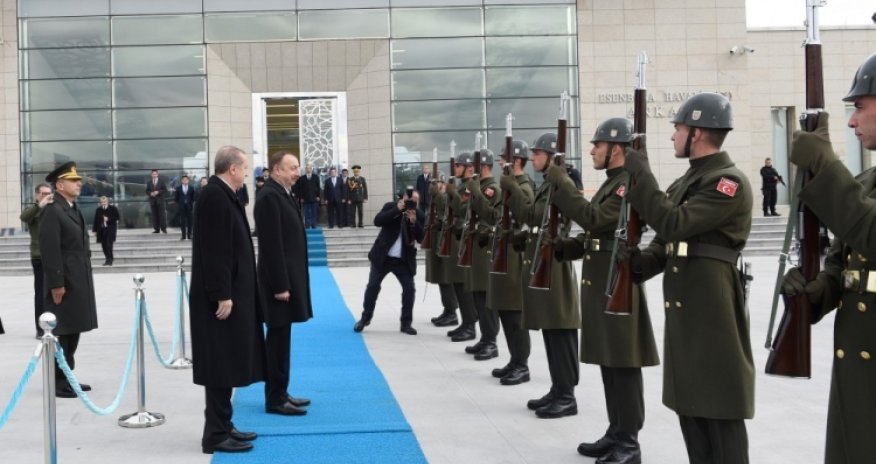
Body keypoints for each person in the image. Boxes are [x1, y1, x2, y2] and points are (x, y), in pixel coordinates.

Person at [622, 93, 754, 463]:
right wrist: (641, 263)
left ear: (696, 132)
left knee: (719, 408)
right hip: (686, 307)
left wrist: (642, 174)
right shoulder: (689, 180)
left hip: (712, 309)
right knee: (692, 406)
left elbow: (673, 222)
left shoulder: (727, 182)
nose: (672, 136)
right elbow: (667, 240)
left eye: (677, 128)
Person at [546, 118, 660, 463]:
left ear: (618, 149)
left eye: (598, 145)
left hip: (618, 281)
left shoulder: (628, 184)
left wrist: (563, 184)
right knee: (610, 362)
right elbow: (599, 233)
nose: (593, 150)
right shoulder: (613, 184)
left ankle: (629, 442)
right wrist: (570, 246)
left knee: (623, 364)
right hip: (603, 281)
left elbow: (596, 219)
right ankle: (616, 431)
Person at [783, 52, 876, 464]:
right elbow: (845, 261)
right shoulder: (867, 182)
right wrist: (816, 290)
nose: (852, 121)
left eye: (859, 107)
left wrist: (825, 161)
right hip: (859, 370)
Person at [189, 146, 264, 455]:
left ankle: (224, 425)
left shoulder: (225, 194)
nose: (247, 172)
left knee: (227, 361)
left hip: (231, 294)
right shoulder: (214, 196)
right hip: (218, 299)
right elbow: (214, 249)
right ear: (232, 168)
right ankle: (215, 435)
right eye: (244, 167)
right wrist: (223, 294)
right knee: (220, 364)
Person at [502, 133, 581, 419]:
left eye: (538, 154)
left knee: (561, 329)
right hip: (543, 260)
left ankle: (567, 394)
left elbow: (556, 217)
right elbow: (534, 217)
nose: (533, 158)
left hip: (556, 263)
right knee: (550, 328)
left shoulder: (563, 183)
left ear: (551, 156)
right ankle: (558, 388)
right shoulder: (548, 184)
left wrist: (512, 185)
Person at [255, 150, 314, 417]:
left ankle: (282, 391)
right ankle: (275, 399)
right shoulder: (268, 196)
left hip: (287, 281)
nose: (297, 172)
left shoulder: (282, 193)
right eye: (292, 168)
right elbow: (271, 246)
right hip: (277, 286)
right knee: (277, 342)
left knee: (283, 339)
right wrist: (280, 285)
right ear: (277, 170)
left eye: (298, 167)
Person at [39, 162, 98, 398]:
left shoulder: (71, 208)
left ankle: (67, 375)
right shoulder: (53, 210)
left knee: (73, 329)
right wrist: (56, 283)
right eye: (74, 181)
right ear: (60, 185)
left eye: (78, 180)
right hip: (64, 279)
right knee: (62, 330)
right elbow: (50, 249)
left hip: (78, 277)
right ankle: (58, 380)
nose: (79, 183)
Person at [486, 141, 535, 386]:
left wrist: (511, 189)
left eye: (504, 159)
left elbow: (525, 216)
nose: (499, 163)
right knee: (506, 311)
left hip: (515, 258)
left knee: (515, 315)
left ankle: (522, 364)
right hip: (503, 254)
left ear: (515, 161)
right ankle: (514, 360)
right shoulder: (510, 186)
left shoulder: (524, 187)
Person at [353, 189, 424, 335]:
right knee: (372, 286)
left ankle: (406, 323)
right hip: (383, 257)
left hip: (403, 260)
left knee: (409, 289)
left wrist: (414, 222)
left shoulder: (419, 214)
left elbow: (422, 238)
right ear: (403, 198)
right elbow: (377, 221)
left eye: (415, 200)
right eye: (409, 199)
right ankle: (365, 319)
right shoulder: (390, 206)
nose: (411, 202)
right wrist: (397, 210)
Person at [464, 150, 502, 361]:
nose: (471, 169)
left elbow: (491, 215)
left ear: (484, 167)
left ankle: (491, 341)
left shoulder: (492, 189)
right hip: (476, 245)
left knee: (486, 296)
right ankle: (485, 337)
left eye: (474, 166)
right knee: (477, 294)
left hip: (485, 246)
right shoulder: (480, 188)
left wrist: (476, 193)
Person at [444, 153, 479, 342]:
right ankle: (466, 323)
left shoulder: (469, 187)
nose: (455, 169)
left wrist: (452, 194)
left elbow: (463, 210)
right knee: (458, 284)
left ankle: (470, 325)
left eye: (458, 165)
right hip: (458, 236)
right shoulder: (462, 186)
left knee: (464, 286)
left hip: (465, 240)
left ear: (468, 168)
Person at [425, 174, 460, 328]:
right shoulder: (437, 197)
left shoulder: (447, 197)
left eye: (438, 182)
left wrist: (436, 195)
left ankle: (452, 312)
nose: (435, 185)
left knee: (446, 278)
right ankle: (447, 309)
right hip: (436, 239)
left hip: (445, 241)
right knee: (440, 278)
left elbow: (443, 211)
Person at [21, 183, 53, 337]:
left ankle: (55, 324)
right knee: (40, 293)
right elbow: (24, 217)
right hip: (39, 256)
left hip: (56, 256)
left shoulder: (54, 208)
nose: (46, 196)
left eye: (48, 193)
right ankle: (40, 328)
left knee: (57, 291)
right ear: (37, 195)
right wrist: (39, 206)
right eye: (43, 193)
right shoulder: (33, 209)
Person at [92, 196, 120, 266]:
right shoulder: (98, 210)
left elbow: (117, 217)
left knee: (109, 245)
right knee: (103, 245)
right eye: (102, 202)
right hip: (101, 230)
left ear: (107, 201)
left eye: (104, 201)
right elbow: (95, 220)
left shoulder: (113, 208)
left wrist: (108, 219)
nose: (103, 203)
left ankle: (110, 259)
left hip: (110, 230)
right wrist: (94, 230)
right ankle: (107, 258)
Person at [296, 164, 321, 228]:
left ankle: (313, 224)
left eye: (310, 168)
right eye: (307, 168)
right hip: (305, 198)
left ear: (312, 169)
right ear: (305, 169)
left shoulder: (316, 177)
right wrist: (301, 197)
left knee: (314, 212)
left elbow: (318, 187)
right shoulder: (302, 178)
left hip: (314, 197)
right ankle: (307, 225)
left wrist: (318, 196)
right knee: (306, 213)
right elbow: (300, 188)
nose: (308, 169)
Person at [146, 169, 167, 233]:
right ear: (151, 175)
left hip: (160, 201)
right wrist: (150, 193)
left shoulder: (161, 181)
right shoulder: (149, 182)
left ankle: (163, 229)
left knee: (162, 215)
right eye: (153, 174)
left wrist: (158, 192)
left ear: (157, 174)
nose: (154, 175)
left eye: (155, 174)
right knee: (154, 216)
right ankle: (156, 229)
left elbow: (165, 190)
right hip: (153, 201)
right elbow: (147, 191)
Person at [175, 175, 195, 240]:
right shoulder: (178, 188)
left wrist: (189, 202)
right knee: (182, 222)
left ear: (188, 181)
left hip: (189, 207)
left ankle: (189, 235)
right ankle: (183, 236)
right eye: (183, 180)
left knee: (190, 222)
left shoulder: (191, 188)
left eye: (186, 180)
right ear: (181, 181)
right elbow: (176, 198)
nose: (185, 181)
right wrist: (180, 203)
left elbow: (193, 197)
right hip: (182, 207)